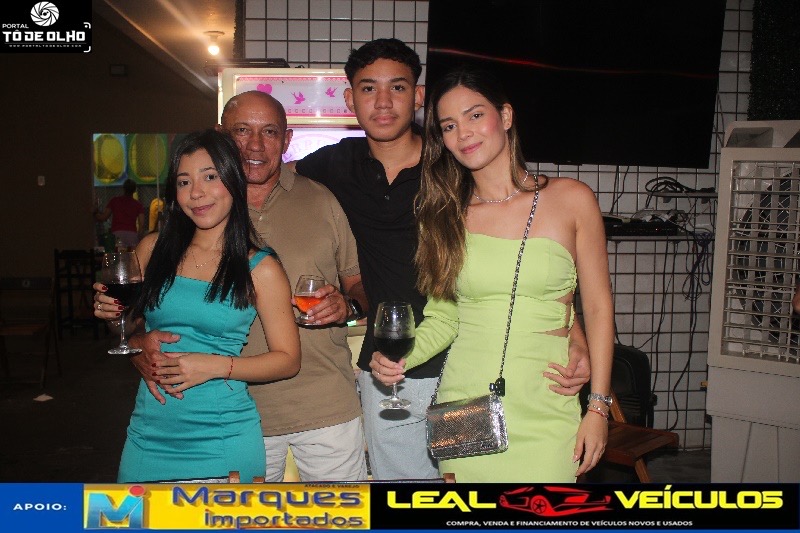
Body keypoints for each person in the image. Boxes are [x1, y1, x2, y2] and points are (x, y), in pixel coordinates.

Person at [288, 38, 592, 480]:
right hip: (395, 371)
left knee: (483, 483)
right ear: (350, 100)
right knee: (412, 493)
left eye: (397, 87)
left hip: (466, 364)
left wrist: (573, 334)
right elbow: (268, 180)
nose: (383, 102)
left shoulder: (460, 163)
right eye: (369, 89)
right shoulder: (335, 164)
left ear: (418, 96)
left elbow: (531, 262)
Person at [96, 95, 370, 482]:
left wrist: (349, 309)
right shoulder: (163, 242)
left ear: (287, 139)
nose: (255, 144)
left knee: (335, 512)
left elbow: (357, 286)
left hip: (311, 408)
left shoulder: (311, 211)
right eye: (242, 130)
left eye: (269, 132)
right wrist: (133, 339)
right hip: (183, 421)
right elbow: (131, 326)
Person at [371, 66, 614, 482]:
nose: (463, 133)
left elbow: (597, 306)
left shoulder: (572, 199)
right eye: (449, 125)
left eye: (475, 115)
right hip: (465, 402)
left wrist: (598, 406)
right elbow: (444, 317)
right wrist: (400, 358)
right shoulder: (443, 216)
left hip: (548, 403)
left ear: (504, 116)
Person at [93, 129, 301, 482]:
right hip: (149, 434)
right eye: (184, 182)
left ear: (233, 181)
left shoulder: (260, 267)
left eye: (210, 177)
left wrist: (213, 365)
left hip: (223, 439)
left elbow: (288, 360)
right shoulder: (152, 249)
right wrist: (117, 321)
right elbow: (126, 328)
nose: (196, 193)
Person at [94, 178, 146, 248]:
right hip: (131, 234)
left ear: (123, 189)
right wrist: (139, 237)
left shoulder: (115, 201)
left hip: (117, 233)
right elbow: (141, 224)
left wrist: (95, 213)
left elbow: (103, 217)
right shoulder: (138, 205)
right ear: (134, 190)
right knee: (132, 254)